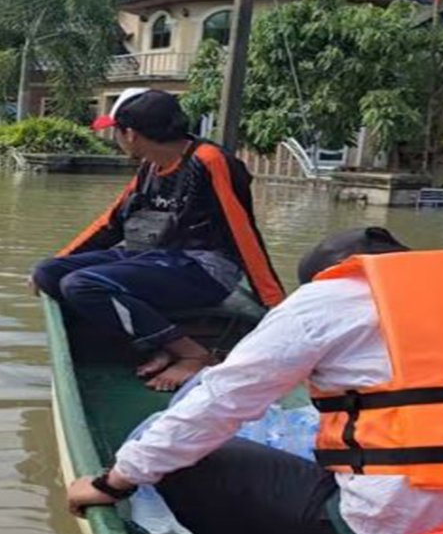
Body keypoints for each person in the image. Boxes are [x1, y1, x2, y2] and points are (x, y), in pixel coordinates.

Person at [66, 227, 443, 534]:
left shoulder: (332, 297)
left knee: (194, 461)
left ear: (329, 276)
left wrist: (115, 480)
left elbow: (220, 399)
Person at [31, 88, 285, 391]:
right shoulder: (150, 166)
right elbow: (111, 223)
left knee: (81, 285)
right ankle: (160, 344)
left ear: (132, 134)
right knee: (48, 272)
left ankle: (193, 354)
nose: (116, 139)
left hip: (203, 269)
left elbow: (243, 232)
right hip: (153, 260)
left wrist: (276, 305)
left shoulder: (208, 161)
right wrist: (60, 259)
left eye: (116, 133)